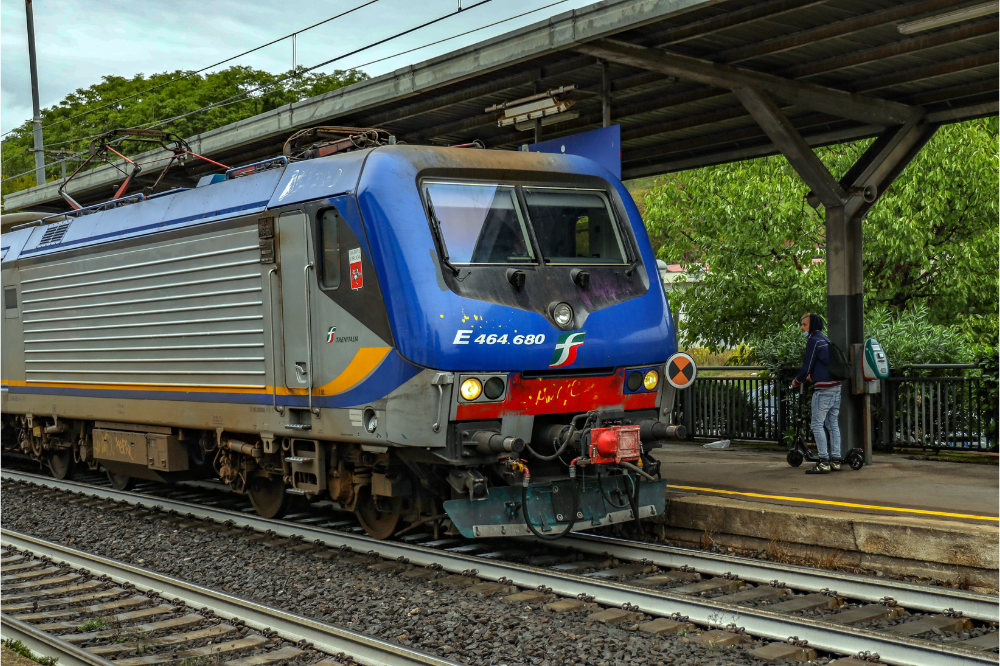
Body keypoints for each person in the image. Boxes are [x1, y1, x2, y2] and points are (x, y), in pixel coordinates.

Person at [792, 314, 842, 474]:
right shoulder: (825, 339)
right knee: (832, 424)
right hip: (836, 387)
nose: (802, 327)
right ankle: (836, 460)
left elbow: (807, 365)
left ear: (812, 325)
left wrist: (797, 381)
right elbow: (823, 364)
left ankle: (823, 462)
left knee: (816, 424)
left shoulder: (814, 341)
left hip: (824, 390)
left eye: (804, 324)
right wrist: (812, 375)